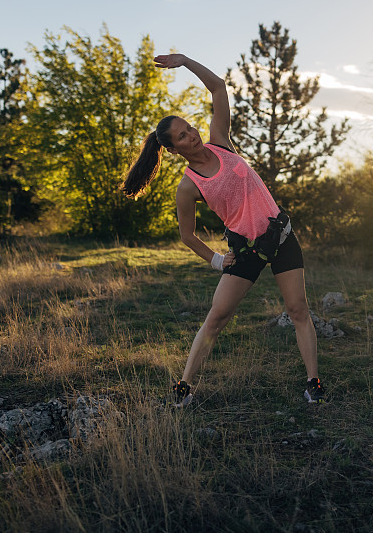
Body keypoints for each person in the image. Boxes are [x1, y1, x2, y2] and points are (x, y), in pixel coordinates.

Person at [120, 53, 324, 407]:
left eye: (190, 128)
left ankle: (313, 382)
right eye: (182, 136)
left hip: (281, 236)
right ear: (172, 150)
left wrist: (184, 61)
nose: (192, 135)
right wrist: (217, 261)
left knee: (299, 310)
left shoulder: (220, 142)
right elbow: (187, 236)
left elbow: (218, 87)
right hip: (245, 251)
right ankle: (183, 388)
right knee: (216, 319)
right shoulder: (188, 187)